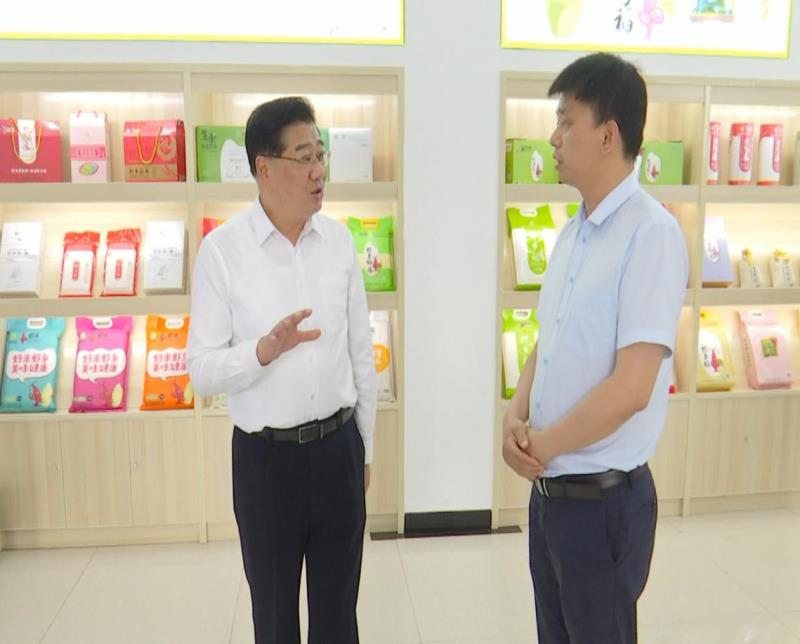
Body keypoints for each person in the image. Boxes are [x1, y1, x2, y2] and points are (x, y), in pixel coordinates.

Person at [501, 53, 688, 643]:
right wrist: (516, 415)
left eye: (566, 121)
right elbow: (549, 338)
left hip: (602, 504)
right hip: (552, 495)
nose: (553, 138)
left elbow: (632, 389)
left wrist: (544, 445)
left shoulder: (651, 235)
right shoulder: (574, 231)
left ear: (609, 135)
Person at [187, 96, 377, 644]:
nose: (318, 171)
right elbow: (201, 370)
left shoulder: (339, 242)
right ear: (264, 168)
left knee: (338, 616)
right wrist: (262, 351)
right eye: (304, 157)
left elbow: (360, 355)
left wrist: (365, 450)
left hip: (338, 451)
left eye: (321, 155)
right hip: (265, 463)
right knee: (273, 619)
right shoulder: (222, 252)